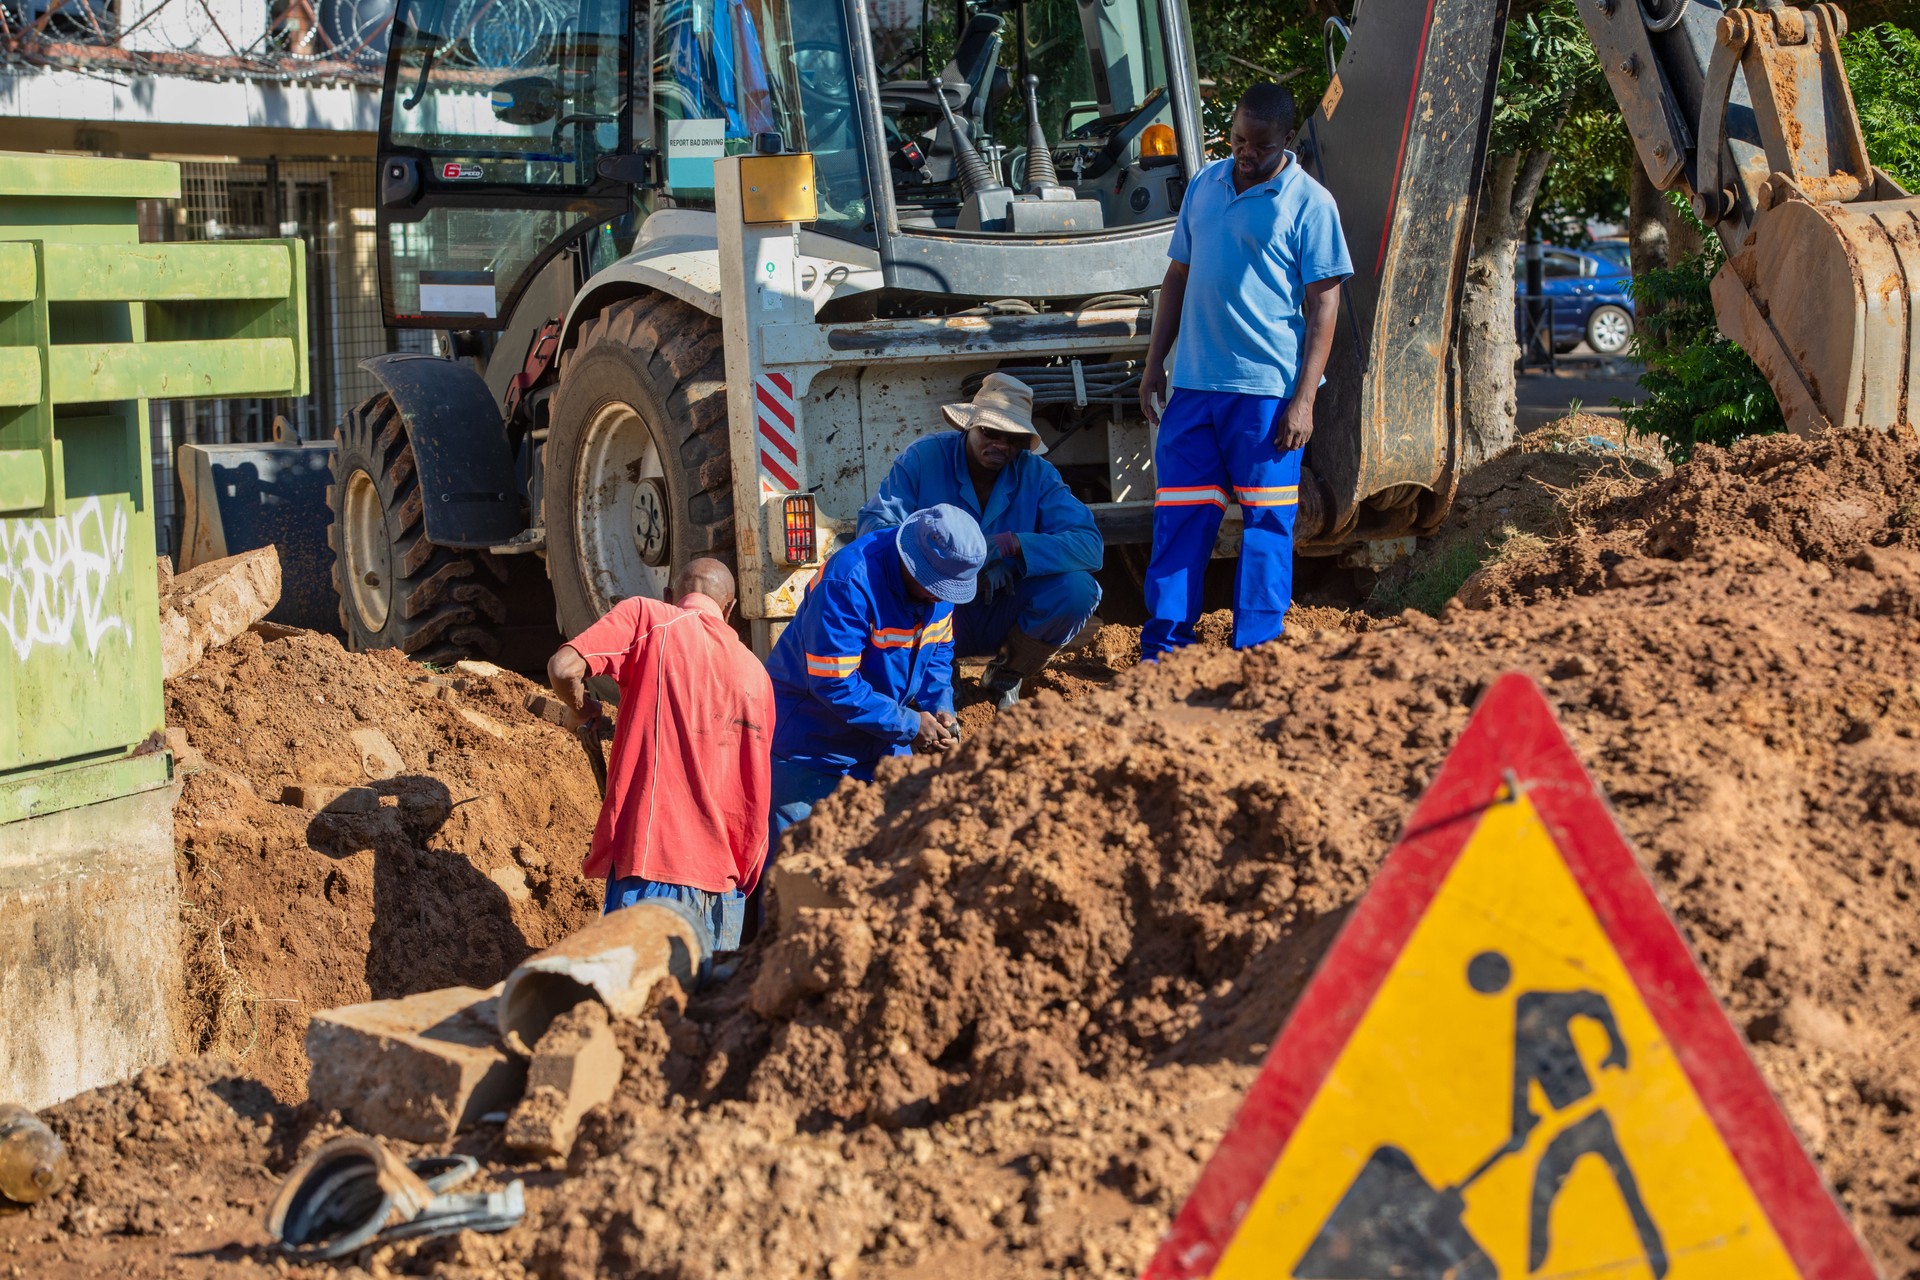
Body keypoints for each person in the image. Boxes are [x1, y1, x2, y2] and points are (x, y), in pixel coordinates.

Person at [1136, 80, 1353, 660]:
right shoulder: (1205, 185)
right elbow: (1177, 277)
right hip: (1194, 389)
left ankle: (1256, 654)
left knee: (1266, 526)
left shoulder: (1311, 203)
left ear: (1287, 138)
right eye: (1237, 140)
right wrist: (1156, 364)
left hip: (1266, 396)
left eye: (1259, 144)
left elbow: (1325, 303)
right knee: (1179, 521)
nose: (1245, 153)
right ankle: (1164, 654)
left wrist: (1304, 399)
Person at [545, 557, 773, 952]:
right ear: (731, 610)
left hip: (652, 871)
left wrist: (582, 710)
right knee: (700, 1011)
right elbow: (757, 796)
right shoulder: (758, 675)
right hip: (725, 888)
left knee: (635, 1006)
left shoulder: (650, 618)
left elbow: (564, 668)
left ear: (669, 595)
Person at [857, 373, 1103, 708]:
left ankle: (1006, 674)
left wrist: (1012, 547)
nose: (1001, 445)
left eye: (1013, 438)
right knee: (885, 577)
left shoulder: (1037, 474)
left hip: (999, 605)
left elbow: (1090, 546)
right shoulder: (924, 458)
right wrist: (931, 563)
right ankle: (937, 673)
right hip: (931, 610)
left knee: (1078, 590)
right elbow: (875, 528)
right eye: (990, 432)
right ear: (969, 426)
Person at [764, 504, 985, 845]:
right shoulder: (850, 580)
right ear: (913, 561)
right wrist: (911, 725)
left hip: (881, 738)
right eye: (936, 587)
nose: (940, 597)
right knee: (801, 872)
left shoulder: (941, 581)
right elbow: (834, 683)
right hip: (812, 745)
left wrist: (941, 707)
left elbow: (939, 651)